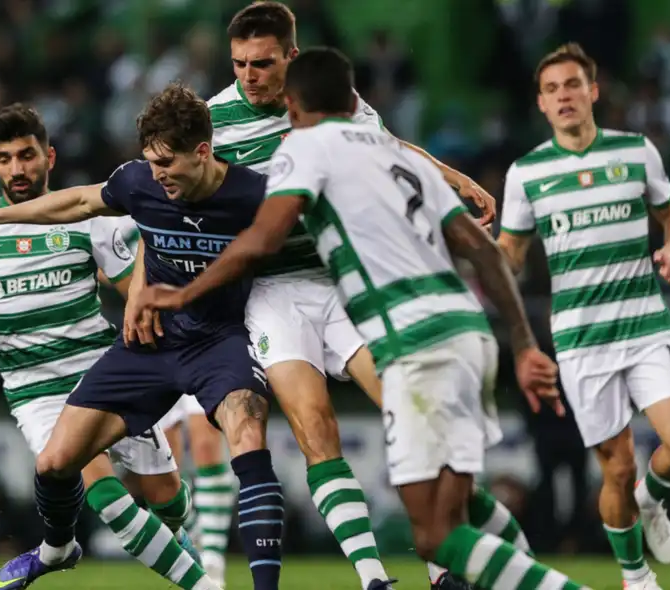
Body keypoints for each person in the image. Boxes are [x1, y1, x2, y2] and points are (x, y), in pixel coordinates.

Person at [137, 46, 595, 590]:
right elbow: (485, 250)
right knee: (443, 512)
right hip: (464, 329)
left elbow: (261, 239)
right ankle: (449, 577)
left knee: (439, 530)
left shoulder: (305, 151)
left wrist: (184, 294)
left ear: (297, 106)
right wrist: (522, 343)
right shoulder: (403, 161)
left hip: (409, 335)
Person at [0, 85, 285, 590]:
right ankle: (174, 577)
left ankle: (165, 538)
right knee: (77, 476)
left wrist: (141, 292)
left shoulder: (241, 196)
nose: (17, 169)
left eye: (26, 155)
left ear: (46, 156)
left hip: (141, 352)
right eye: (4, 159)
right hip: (43, 384)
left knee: (170, 495)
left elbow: (134, 264)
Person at [497, 43, 670, 590]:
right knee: (616, 467)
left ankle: (650, 503)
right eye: (552, 90)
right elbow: (509, 259)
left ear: (593, 91)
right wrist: (477, 258)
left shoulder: (636, 152)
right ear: (541, 103)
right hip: (581, 340)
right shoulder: (527, 174)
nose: (563, 96)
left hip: (645, 325)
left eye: (572, 85)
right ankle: (636, 579)